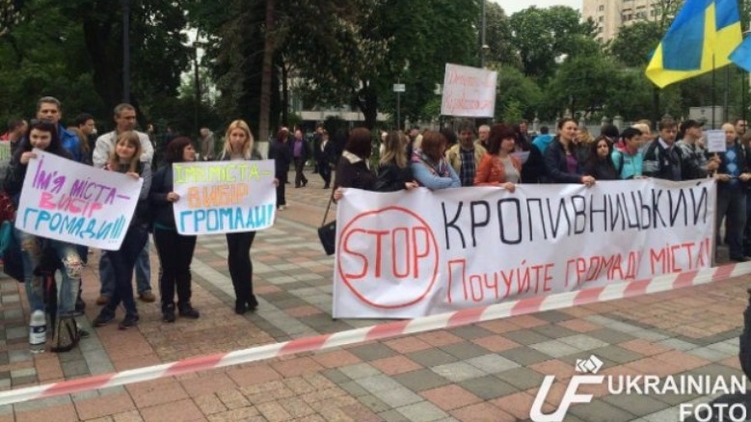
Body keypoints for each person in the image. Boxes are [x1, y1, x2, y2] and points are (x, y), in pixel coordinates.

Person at [4, 121, 85, 351]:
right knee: (33, 270)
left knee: (73, 266)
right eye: (35, 137)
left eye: (44, 137)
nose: (38, 142)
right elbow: (8, 188)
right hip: (29, 223)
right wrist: (20, 166)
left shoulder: (64, 156)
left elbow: (79, 186)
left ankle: (65, 318)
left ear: (52, 139)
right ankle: (37, 315)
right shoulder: (20, 155)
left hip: (59, 225)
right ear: (28, 137)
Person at [93, 103, 155, 306]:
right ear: (116, 118)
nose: (131, 121)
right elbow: (99, 164)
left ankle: (144, 287)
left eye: (133, 117)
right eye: (127, 117)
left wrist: (122, 164)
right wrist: (120, 167)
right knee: (107, 250)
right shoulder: (104, 140)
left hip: (135, 210)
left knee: (141, 251)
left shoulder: (143, 138)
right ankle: (107, 290)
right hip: (111, 206)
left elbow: (146, 156)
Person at [218, 120, 278, 313]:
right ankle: (241, 296)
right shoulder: (222, 158)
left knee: (242, 253)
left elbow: (263, 179)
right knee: (233, 253)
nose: (237, 139)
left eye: (241, 135)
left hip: (250, 213)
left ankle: (246, 294)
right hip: (230, 213)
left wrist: (272, 183)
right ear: (229, 137)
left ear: (247, 137)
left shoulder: (254, 156)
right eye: (234, 135)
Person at [149, 137, 201, 322]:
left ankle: (185, 303)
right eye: (189, 148)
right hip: (165, 227)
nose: (192, 151)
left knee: (184, 267)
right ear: (178, 151)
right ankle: (167, 305)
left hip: (188, 227)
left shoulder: (199, 172)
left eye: (192, 148)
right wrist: (165, 197)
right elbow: (150, 195)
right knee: (168, 267)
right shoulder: (163, 172)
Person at [715, 123, 751, 262]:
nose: (728, 135)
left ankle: (737, 252)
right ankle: (713, 253)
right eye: (725, 132)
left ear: (735, 133)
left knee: (739, 222)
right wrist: (717, 174)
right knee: (716, 223)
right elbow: (707, 169)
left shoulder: (742, 149)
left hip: (739, 190)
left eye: (731, 132)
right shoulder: (713, 150)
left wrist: (748, 175)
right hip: (720, 190)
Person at [543, 118, 595, 186]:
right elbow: (553, 172)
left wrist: (586, 178)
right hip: (556, 188)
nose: (572, 131)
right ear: (559, 130)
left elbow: (580, 167)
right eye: (569, 128)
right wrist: (579, 178)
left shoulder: (575, 148)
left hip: (574, 188)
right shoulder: (552, 148)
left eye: (575, 129)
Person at [333, 127, 377, 199]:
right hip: (356, 204)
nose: (371, 146)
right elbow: (339, 189)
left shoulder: (366, 161)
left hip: (369, 202)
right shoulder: (346, 164)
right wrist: (337, 195)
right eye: (370, 143)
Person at [474, 124, 520, 191]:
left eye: (513, 139)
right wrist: (500, 185)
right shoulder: (488, 159)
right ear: (498, 140)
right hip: (495, 197)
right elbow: (477, 183)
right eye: (508, 139)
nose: (512, 142)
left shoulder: (515, 160)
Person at [35, 96, 82, 162]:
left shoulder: (72, 140)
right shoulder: (27, 138)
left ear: (59, 115)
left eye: (53, 111)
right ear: (38, 115)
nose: (49, 115)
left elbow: (81, 164)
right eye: (45, 111)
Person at [446, 122, 486, 187]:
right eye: (463, 134)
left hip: (477, 190)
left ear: (474, 135)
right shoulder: (452, 152)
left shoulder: (482, 151)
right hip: (458, 190)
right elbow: (447, 173)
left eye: (469, 133)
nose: (466, 136)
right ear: (458, 135)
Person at [268, 128, 291, 210]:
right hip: (282, 168)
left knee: (275, 186)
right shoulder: (284, 146)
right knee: (281, 186)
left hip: (273, 167)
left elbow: (269, 155)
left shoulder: (273, 145)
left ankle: (279, 202)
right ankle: (280, 203)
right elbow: (288, 158)